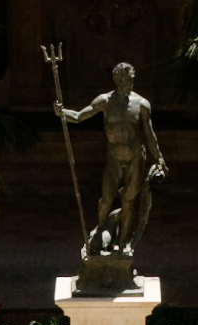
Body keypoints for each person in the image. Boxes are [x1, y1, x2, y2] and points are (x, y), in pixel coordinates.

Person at [57, 58, 166, 262]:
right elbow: (81, 116)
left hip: (135, 158)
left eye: (131, 80)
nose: (128, 84)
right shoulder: (105, 101)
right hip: (114, 157)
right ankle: (100, 230)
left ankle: (123, 243)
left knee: (128, 201)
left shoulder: (142, 105)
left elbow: (150, 135)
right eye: (124, 80)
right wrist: (64, 113)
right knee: (106, 198)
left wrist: (159, 157)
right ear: (116, 80)